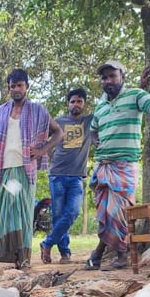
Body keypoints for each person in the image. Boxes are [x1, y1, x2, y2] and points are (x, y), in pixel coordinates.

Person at [85, 60, 150, 271]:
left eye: (112, 75)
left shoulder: (135, 95)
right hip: (103, 165)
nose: (108, 80)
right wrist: (95, 139)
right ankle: (104, 254)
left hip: (124, 165)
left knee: (119, 210)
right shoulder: (101, 105)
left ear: (122, 76)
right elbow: (93, 128)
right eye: (104, 77)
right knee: (105, 212)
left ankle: (116, 254)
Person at [0, 68, 63, 269]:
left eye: (19, 85)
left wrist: (43, 149)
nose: (16, 89)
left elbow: (58, 133)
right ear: (8, 88)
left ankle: (23, 259)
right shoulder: (0, 111)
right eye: (12, 86)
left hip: (24, 170)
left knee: (21, 212)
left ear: (26, 86)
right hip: (2, 170)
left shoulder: (38, 110)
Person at [39, 88, 94, 264]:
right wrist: (45, 153)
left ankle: (47, 243)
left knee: (72, 211)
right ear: (68, 104)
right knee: (57, 215)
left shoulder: (89, 121)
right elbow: (43, 139)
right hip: (57, 174)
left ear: (84, 104)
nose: (76, 104)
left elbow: (107, 104)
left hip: (77, 176)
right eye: (72, 101)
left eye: (79, 101)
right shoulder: (59, 121)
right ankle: (65, 253)